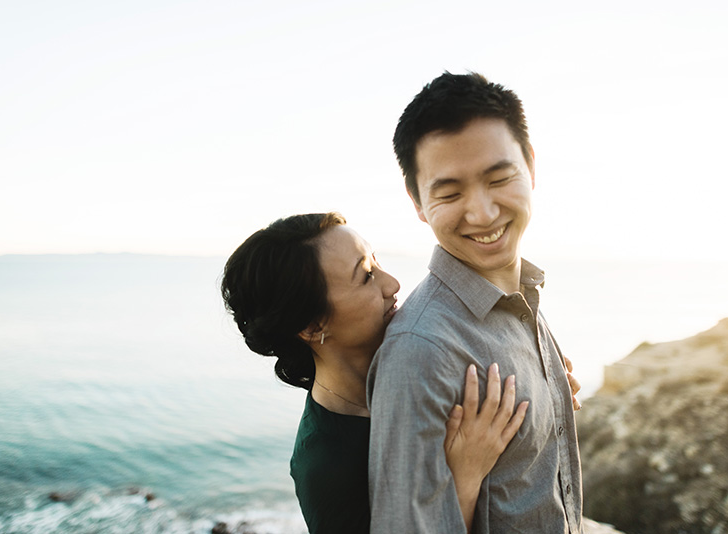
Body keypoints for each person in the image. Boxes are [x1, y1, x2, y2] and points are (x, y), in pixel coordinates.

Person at [367, 72, 584, 533]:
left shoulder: (522, 298)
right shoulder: (420, 350)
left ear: (530, 164)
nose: (482, 213)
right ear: (418, 201)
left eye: (499, 177)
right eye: (449, 193)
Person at [220, 212, 530, 534]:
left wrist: (536, 368)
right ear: (313, 326)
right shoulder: (325, 468)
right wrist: (463, 479)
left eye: (375, 261)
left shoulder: (414, 368)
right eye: (367, 275)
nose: (392, 284)